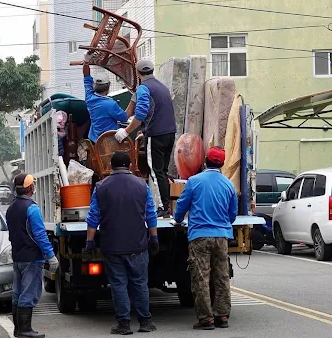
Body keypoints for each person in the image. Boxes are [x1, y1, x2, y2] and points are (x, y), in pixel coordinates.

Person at [85, 151, 159, 335]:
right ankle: (145, 321)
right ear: (130, 165)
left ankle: (124, 324)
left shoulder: (101, 187)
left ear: (111, 165)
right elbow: (150, 213)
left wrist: (89, 241)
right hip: (138, 245)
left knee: (118, 284)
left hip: (112, 246)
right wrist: (154, 237)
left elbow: (93, 217)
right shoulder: (142, 185)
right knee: (140, 283)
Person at [172, 146, 237, 330]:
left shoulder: (194, 181)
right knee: (222, 276)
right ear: (222, 164)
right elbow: (232, 214)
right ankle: (222, 316)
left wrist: (177, 220)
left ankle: (206, 319)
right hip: (222, 236)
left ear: (205, 161)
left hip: (199, 237)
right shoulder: (228, 184)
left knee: (201, 278)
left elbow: (182, 206)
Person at [114, 59, 176, 219]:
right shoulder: (162, 87)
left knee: (155, 172)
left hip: (156, 135)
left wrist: (126, 131)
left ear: (138, 73)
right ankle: (166, 205)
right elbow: (159, 112)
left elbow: (140, 114)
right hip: (169, 134)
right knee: (162, 171)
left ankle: (163, 209)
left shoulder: (144, 88)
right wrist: (144, 131)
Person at [6, 173, 59, 338]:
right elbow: (40, 235)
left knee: (17, 293)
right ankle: (25, 330)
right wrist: (51, 256)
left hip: (18, 257)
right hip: (32, 258)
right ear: (30, 188)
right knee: (29, 293)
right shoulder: (32, 208)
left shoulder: (11, 208)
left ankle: (17, 329)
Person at [83, 53, 136, 144]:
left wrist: (86, 61)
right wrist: (133, 99)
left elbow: (86, 76)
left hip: (95, 142)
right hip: (110, 143)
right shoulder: (110, 104)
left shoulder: (89, 98)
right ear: (108, 87)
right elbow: (124, 117)